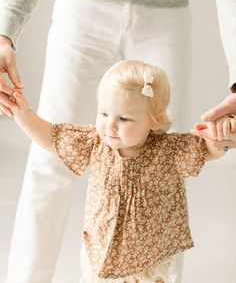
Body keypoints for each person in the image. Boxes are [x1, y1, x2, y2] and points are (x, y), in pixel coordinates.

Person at [0, 0, 236, 283]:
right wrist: (4, 33)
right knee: (49, 162)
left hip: (164, 9)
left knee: (164, 166)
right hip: (85, 3)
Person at [8, 60, 235, 283]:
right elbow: (52, 138)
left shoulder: (169, 149)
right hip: (102, 247)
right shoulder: (95, 142)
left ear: (155, 120)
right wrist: (23, 113)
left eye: (124, 118)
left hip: (149, 257)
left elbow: (206, 149)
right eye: (104, 113)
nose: (110, 125)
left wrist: (219, 137)